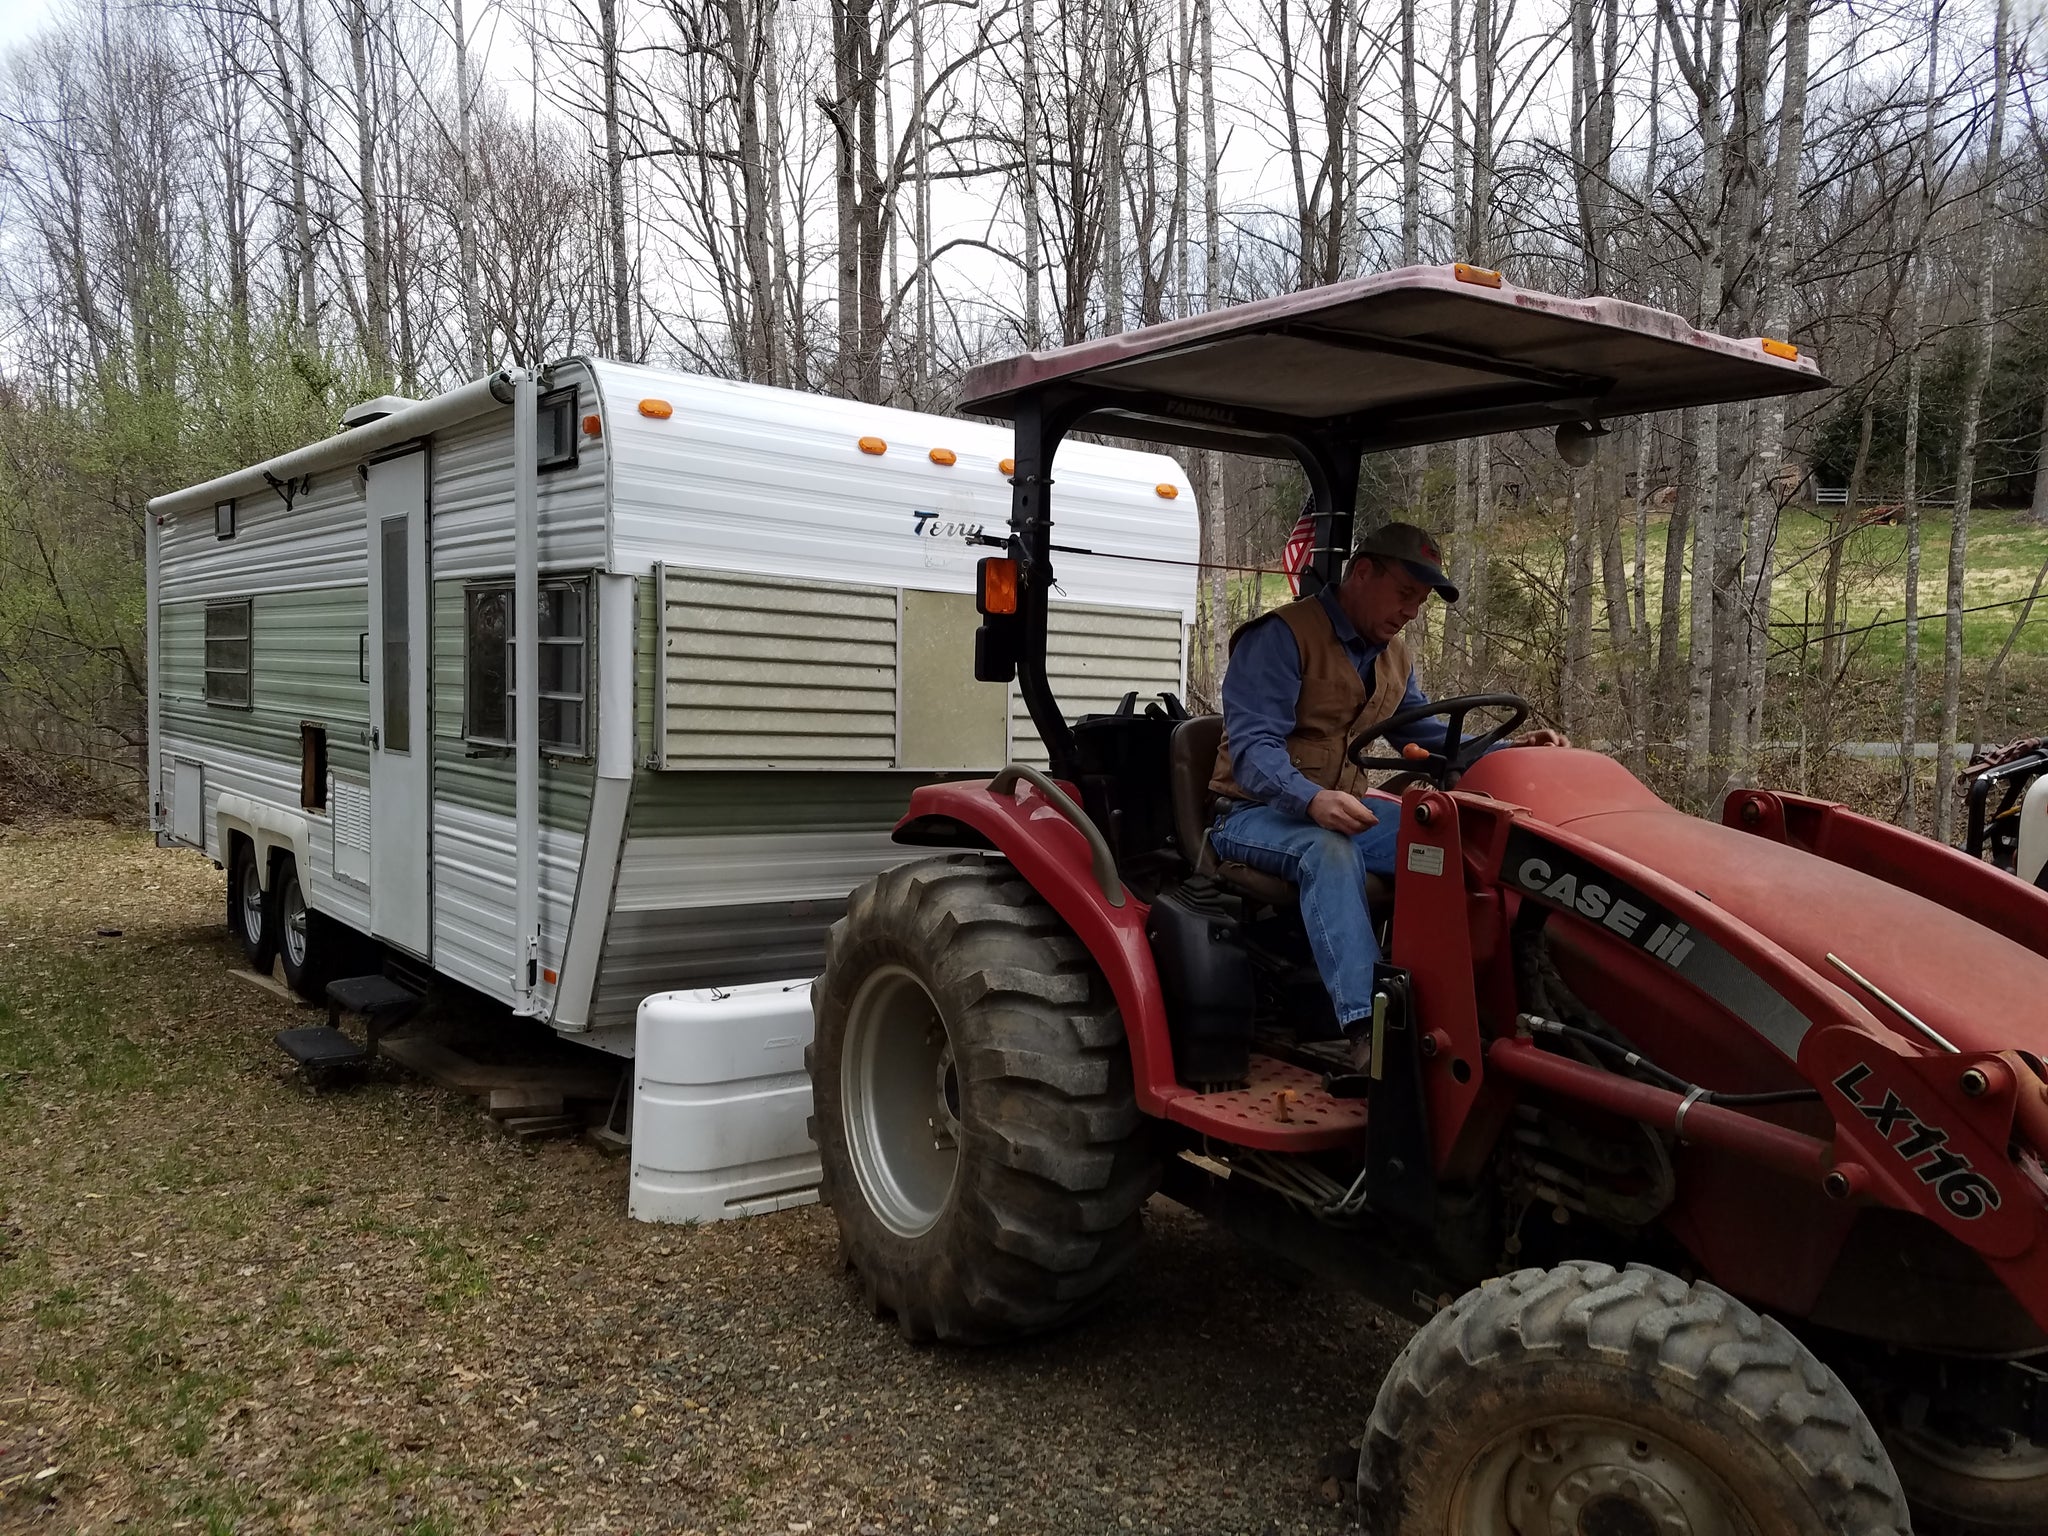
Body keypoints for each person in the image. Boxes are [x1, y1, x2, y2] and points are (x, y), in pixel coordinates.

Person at [1206, 521, 1568, 1052]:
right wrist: (1311, 799)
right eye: (1404, 593)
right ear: (1362, 571)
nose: (1409, 611)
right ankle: (1368, 1032)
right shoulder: (1280, 638)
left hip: (1340, 808)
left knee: (1461, 839)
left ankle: (1492, 1007)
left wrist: (1505, 751)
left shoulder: (1392, 653)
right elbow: (1255, 750)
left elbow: (1418, 730)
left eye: (1419, 601)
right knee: (1327, 851)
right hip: (1250, 814)